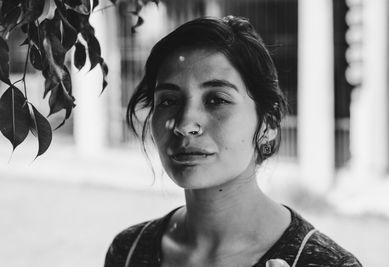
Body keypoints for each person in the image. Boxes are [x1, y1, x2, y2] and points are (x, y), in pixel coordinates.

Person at [104, 16, 362, 267]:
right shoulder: (129, 251)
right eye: (168, 101)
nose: (184, 125)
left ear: (269, 123)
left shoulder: (325, 263)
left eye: (216, 100)